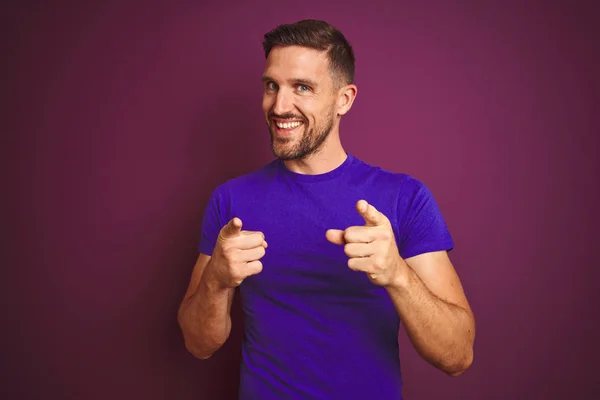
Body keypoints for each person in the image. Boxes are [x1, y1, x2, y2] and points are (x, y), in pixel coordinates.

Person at [178, 19, 475, 400]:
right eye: (272, 86)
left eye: (302, 87)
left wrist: (398, 274)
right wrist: (217, 280)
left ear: (344, 99)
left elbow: (458, 355)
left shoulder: (405, 198)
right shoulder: (230, 201)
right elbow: (197, 344)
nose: (280, 106)